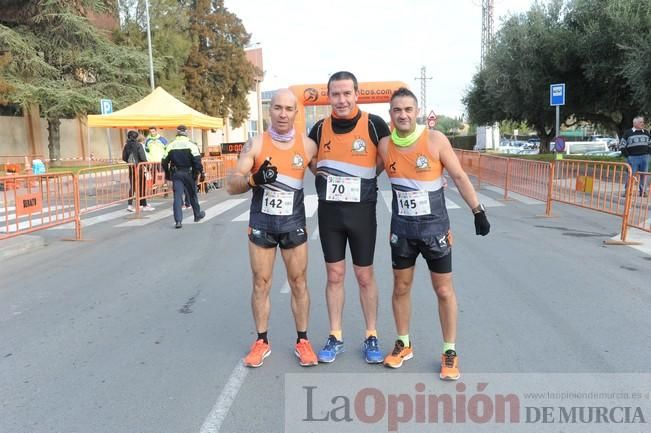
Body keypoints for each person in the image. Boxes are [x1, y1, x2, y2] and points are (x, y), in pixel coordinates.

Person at [378, 88, 490, 380]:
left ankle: (449, 351)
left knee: (443, 290)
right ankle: (403, 343)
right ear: (390, 115)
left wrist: (478, 210)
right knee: (401, 288)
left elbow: (458, 176)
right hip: (402, 231)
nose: (403, 115)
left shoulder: (435, 139)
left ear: (416, 112)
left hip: (435, 231)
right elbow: (365, 174)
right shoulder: (384, 145)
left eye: (408, 109)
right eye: (397, 110)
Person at [226, 89, 319, 367]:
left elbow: (326, 176)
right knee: (261, 283)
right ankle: (261, 341)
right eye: (277, 108)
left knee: (299, 282)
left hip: (293, 222)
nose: (282, 114)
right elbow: (232, 185)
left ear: (295, 113)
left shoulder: (308, 146)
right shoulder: (255, 144)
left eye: (288, 109)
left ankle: (303, 341)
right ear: (270, 111)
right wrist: (254, 180)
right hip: (263, 223)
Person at [308, 71, 391, 364]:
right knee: (334, 275)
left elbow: (389, 159)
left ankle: (371, 335)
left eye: (346, 93)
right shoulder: (319, 129)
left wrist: (366, 179)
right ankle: (335, 336)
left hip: (362, 212)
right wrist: (322, 177)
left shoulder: (374, 124)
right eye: (335, 94)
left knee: (364, 275)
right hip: (330, 213)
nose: (341, 100)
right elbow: (307, 159)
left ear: (356, 94)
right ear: (328, 96)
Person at [161, 125, 205, 228]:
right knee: (192, 194)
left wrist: (168, 174)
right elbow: (197, 162)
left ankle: (178, 221)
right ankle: (197, 215)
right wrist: (198, 173)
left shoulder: (170, 145)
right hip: (189, 173)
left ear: (177, 132)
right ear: (186, 132)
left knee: (177, 197)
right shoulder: (192, 145)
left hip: (176, 174)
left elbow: (163, 162)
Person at [122, 130, 154, 212]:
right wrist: (147, 167)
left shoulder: (126, 145)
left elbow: (124, 157)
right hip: (139, 168)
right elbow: (142, 157)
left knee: (132, 186)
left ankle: (129, 205)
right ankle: (143, 204)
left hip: (131, 168)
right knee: (142, 186)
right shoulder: (138, 145)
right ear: (136, 137)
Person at [620, 116, 651, 197]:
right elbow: (622, 146)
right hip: (632, 158)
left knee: (644, 175)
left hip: (645, 157)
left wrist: (648, 154)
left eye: (642, 122)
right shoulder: (628, 133)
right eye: (640, 122)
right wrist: (628, 156)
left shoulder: (646, 132)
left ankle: (643, 192)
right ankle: (627, 191)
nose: (642, 123)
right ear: (635, 123)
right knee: (630, 174)